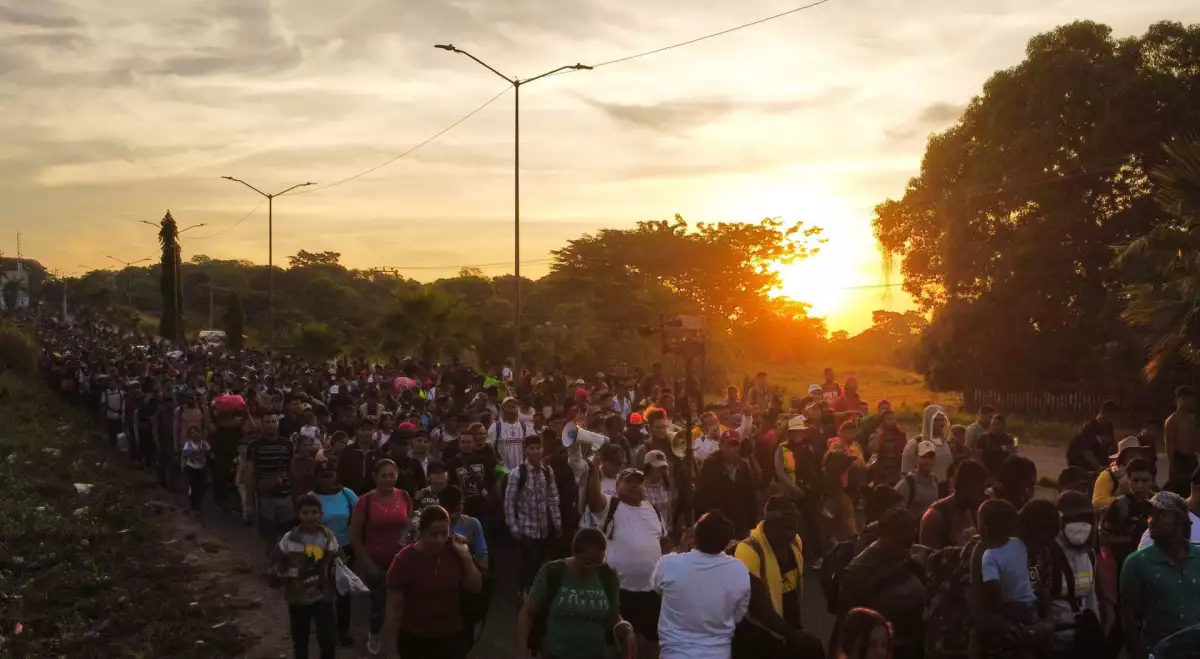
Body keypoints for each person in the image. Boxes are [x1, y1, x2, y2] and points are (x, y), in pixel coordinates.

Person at [585, 463, 670, 651]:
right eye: (628, 481)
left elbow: (665, 543)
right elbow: (593, 500)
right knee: (619, 642)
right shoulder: (611, 506)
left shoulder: (653, 510)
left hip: (651, 592)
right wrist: (593, 470)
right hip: (620, 592)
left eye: (638, 482)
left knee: (650, 642)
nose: (634, 485)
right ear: (617, 487)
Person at [516, 527, 635, 659]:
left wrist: (625, 629)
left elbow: (614, 614)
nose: (593, 568)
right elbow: (527, 612)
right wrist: (522, 651)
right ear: (574, 553)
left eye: (599, 562)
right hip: (556, 654)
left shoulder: (607, 575)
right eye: (588, 562)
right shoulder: (553, 572)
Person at [383, 505, 483, 659]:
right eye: (434, 534)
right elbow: (394, 610)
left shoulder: (454, 551)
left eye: (444, 533)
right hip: (415, 639)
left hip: (450, 637)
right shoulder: (404, 560)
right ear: (422, 532)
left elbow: (475, 587)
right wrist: (391, 651)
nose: (440, 540)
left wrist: (466, 556)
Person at [653, 512, 751, 659]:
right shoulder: (739, 569)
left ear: (694, 537)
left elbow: (658, 589)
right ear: (728, 541)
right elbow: (739, 613)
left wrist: (680, 549)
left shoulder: (668, 564)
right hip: (719, 653)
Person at [1120, 491, 1200, 659]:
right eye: (1150, 515)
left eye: (1162, 515)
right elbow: (1129, 621)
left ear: (1179, 520)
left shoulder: (1198, 558)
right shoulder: (1137, 563)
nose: (1152, 521)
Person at [838, 509, 925, 659]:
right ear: (884, 534)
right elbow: (845, 624)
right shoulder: (859, 571)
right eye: (902, 541)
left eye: (910, 541)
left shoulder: (902, 557)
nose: (907, 547)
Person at [349, 459, 414, 656]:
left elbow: (410, 524)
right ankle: (375, 634)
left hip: (401, 560)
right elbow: (355, 535)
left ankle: (399, 641)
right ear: (375, 477)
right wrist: (367, 563)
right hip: (376, 561)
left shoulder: (404, 496)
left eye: (392, 475)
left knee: (402, 603)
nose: (388, 479)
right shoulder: (365, 501)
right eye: (384, 475)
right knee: (380, 604)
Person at [732, 496, 811, 658]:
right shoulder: (749, 551)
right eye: (787, 528)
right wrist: (794, 637)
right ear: (770, 524)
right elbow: (759, 609)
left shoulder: (795, 542)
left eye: (795, 527)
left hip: (788, 629)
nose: (792, 533)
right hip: (760, 638)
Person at [269, 493, 343, 659]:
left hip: (323, 596)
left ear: (321, 515)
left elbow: (338, 560)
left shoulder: (328, 537)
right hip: (297, 598)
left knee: (327, 638)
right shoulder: (289, 539)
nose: (310, 517)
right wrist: (279, 573)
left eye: (314, 512)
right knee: (300, 639)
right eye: (305, 513)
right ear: (298, 515)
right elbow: (275, 560)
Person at [505, 434, 563, 598]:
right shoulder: (517, 474)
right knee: (528, 562)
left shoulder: (547, 471)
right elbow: (509, 502)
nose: (536, 451)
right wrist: (513, 526)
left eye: (538, 448)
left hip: (543, 527)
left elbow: (553, 497)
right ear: (525, 451)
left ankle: (536, 592)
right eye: (532, 448)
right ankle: (523, 590)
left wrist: (557, 523)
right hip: (526, 527)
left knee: (540, 562)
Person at [1048, 491, 1103, 658]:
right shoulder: (1046, 554)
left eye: (1085, 520)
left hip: (1084, 641)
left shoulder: (1089, 555)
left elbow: (1091, 598)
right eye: (1072, 520)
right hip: (1054, 642)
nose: (1080, 526)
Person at [311, 465, 359, 647]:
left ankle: (343, 629)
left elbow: (362, 512)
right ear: (317, 477)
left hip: (345, 548)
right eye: (324, 475)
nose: (328, 479)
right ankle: (324, 626)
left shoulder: (346, 494)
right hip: (318, 550)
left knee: (343, 590)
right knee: (322, 589)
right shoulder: (310, 498)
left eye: (331, 475)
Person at [776, 415, 826, 569]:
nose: (798, 435)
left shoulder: (808, 448)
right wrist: (792, 487)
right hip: (791, 494)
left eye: (800, 431)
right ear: (790, 433)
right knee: (790, 526)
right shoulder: (781, 448)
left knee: (813, 525)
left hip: (808, 493)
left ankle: (818, 556)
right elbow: (780, 472)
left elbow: (813, 469)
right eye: (795, 431)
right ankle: (790, 558)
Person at [245, 413, 296, 557]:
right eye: (267, 422)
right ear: (261, 424)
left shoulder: (288, 444)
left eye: (273, 421)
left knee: (287, 537)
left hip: (286, 496)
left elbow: (291, 471)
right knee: (270, 537)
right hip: (265, 498)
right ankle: (271, 566)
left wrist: (295, 495)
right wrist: (249, 503)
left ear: (278, 423)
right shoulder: (253, 447)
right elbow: (249, 474)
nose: (271, 425)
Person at [697, 430, 758, 538]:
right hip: (717, 524)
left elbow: (750, 496)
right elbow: (702, 497)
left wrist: (752, 524)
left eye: (734, 445)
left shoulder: (743, 465)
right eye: (727, 445)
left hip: (740, 522)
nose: (731, 449)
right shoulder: (709, 464)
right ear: (721, 445)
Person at [920, 459, 989, 550]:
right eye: (980, 491)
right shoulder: (935, 517)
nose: (982, 496)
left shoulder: (971, 512)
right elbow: (929, 558)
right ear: (965, 487)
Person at [445, 424, 497, 521]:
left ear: (474, 443)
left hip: (482, 508)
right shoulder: (452, 464)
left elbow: (491, 480)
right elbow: (449, 485)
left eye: (469, 442)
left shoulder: (483, 461)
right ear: (459, 444)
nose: (466, 444)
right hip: (463, 510)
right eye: (463, 442)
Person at [824, 421, 866, 541]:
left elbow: (862, 463)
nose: (852, 436)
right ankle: (854, 538)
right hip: (839, 485)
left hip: (854, 485)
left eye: (854, 433)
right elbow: (829, 461)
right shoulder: (836, 445)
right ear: (840, 433)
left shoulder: (856, 446)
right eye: (849, 433)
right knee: (847, 511)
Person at [1093, 436, 1153, 512]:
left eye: (1138, 455)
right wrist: (1124, 501)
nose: (1136, 459)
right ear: (1122, 458)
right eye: (1132, 456)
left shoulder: (1146, 473)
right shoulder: (1108, 475)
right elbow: (1097, 502)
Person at [901, 405, 954, 487]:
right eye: (936, 420)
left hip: (944, 490)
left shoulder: (946, 444)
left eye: (942, 420)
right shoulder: (915, 445)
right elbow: (905, 473)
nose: (941, 424)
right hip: (922, 490)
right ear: (929, 422)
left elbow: (950, 471)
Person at [440, 485, 488, 570]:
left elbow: (482, 555)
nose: (454, 514)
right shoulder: (434, 528)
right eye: (451, 509)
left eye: (458, 507)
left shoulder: (472, 524)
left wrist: (482, 577)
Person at [1067, 400, 1120, 472]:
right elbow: (1087, 453)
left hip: (1098, 463)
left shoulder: (1109, 427)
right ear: (1104, 412)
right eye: (1112, 416)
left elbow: (1112, 449)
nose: (1114, 420)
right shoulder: (1090, 427)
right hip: (1084, 465)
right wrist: (1100, 467)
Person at [895, 440, 940, 521]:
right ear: (916, 458)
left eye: (931, 457)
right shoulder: (907, 484)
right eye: (923, 457)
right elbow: (896, 514)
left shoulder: (934, 480)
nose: (928, 461)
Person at [1165, 386, 1197, 496]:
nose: (1192, 403)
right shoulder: (1172, 420)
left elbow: (1194, 440)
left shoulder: (1191, 418)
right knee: (1179, 491)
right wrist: (1173, 464)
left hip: (1191, 459)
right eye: (1189, 399)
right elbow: (1169, 443)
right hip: (1179, 459)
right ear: (1181, 399)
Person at [490, 397, 532, 471]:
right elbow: (490, 449)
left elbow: (528, 447)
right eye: (508, 407)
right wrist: (498, 462)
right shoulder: (495, 427)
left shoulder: (524, 427)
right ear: (502, 410)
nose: (511, 410)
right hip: (503, 471)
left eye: (513, 407)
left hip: (521, 470)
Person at [180, 425, 213, 514]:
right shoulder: (189, 445)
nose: (194, 434)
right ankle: (195, 507)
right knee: (194, 486)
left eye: (196, 432)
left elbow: (210, 454)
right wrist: (183, 465)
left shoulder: (204, 444)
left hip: (202, 468)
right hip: (191, 468)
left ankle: (196, 504)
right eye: (192, 433)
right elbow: (184, 456)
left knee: (201, 487)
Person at [977, 414, 1017, 479]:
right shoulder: (984, 438)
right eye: (993, 424)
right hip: (986, 470)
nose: (995, 427)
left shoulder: (1009, 439)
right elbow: (977, 455)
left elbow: (1012, 455)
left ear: (1003, 426)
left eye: (998, 425)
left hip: (1003, 472)